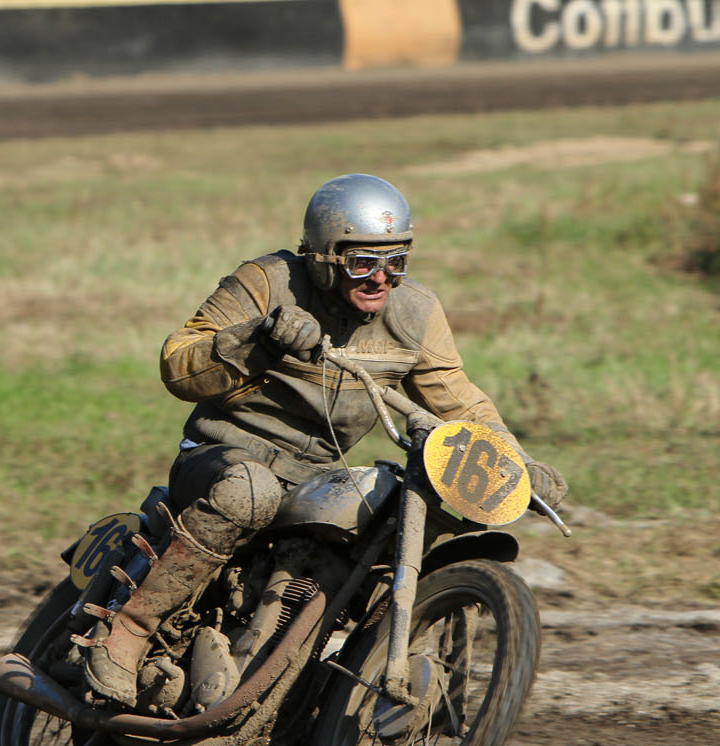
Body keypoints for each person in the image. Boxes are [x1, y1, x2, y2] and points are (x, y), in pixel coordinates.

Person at [80, 173, 568, 705]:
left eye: (395, 261)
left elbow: (461, 401)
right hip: (223, 459)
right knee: (250, 492)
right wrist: (258, 338)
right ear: (321, 257)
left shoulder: (416, 314)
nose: (381, 278)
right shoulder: (266, 281)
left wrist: (514, 462)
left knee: (392, 514)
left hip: (316, 480)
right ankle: (126, 633)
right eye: (362, 262)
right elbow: (178, 363)